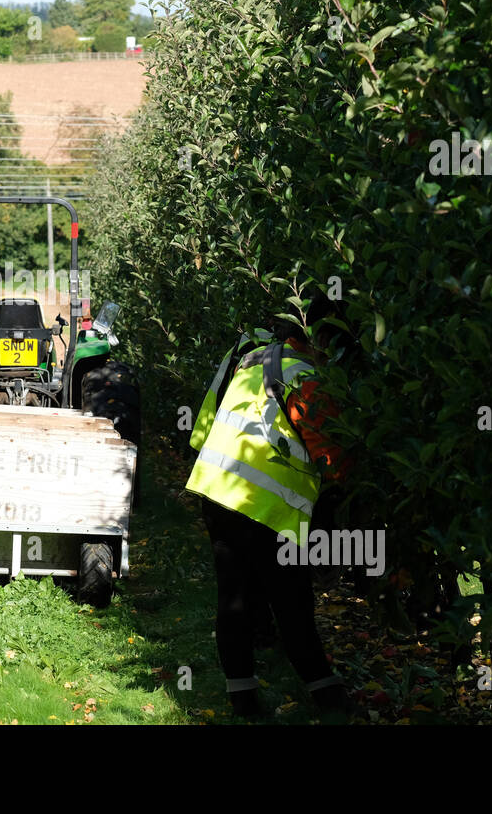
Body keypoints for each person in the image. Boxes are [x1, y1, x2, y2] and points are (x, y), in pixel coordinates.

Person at [186, 296, 356, 719]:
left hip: (217, 488)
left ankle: (242, 700)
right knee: (293, 602)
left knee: (235, 597)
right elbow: (332, 460)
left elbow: (203, 426)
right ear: (322, 339)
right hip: (269, 505)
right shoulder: (309, 379)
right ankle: (330, 698)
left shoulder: (249, 358)